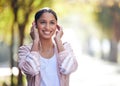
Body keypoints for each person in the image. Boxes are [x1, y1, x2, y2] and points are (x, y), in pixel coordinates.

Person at [18, 7, 78, 86]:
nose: (47, 27)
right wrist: (35, 41)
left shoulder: (65, 49)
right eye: (43, 22)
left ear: (57, 26)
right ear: (35, 25)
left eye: (52, 23)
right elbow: (31, 70)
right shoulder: (25, 51)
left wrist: (58, 41)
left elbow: (68, 68)